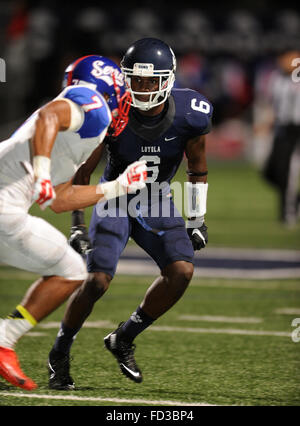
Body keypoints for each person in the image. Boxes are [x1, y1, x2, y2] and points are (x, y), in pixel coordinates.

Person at [47, 38, 213, 390]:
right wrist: (77, 225)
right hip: (115, 197)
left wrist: (197, 220)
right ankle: (60, 351)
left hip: (155, 198)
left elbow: (197, 168)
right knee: (96, 282)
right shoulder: (111, 112)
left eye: (151, 81)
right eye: (136, 80)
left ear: (167, 80)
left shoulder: (190, 112)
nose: (142, 88)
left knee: (181, 271)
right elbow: (82, 172)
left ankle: (123, 337)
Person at [0, 54, 147, 390]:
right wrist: (40, 172)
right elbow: (50, 116)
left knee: (70, 268)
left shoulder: (80, 129)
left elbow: (58, 200)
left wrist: (117, 187)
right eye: (123, 93)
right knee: (71, 270)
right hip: (4, 206)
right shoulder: (92, 103)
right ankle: (3, 339)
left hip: (7, 205)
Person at [261, 49, 300, 226]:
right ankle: (290, 198)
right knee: (272, 172)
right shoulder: (276, 78)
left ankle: (288, 212)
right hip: (284, 128)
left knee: (288, 172)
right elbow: (273, 104)